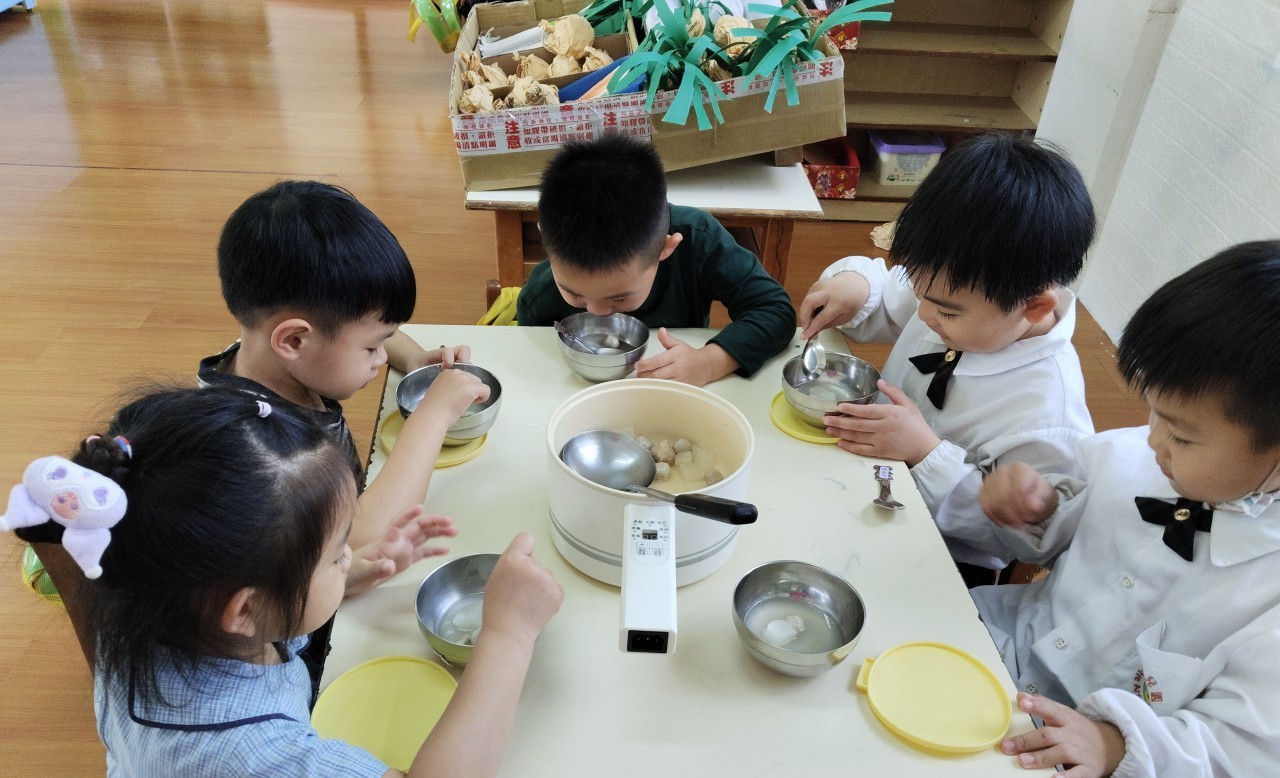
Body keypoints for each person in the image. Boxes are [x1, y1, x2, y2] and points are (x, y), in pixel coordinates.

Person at [3, 387, 565, 778]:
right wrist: (507, 635)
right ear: (245, 609)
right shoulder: (244, 755)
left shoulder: (145, 614)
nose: (348, 554)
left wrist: (346, 576)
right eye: (336, 552)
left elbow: (261, 622)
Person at [972, 240, 1280, 778]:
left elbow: (1242, 757)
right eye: (1154, 414)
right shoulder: (1133, 457)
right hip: (997, 651)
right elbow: (1057, 537)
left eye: (1182, 435)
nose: (1153, 441)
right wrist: (1038, 509)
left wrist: (1115, 746)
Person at [797, 133, 1097, 585]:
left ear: (1035, 307)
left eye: (946, 312)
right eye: (920, 294)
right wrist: (856, 286)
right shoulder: (954, 293)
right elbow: (889, 293)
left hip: (942, 558)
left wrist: (925, 454)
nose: (923, 315)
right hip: (867, 482)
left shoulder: (1048, 413)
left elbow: (1026, 541)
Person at [205, 179, 485, 556]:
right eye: (372, 348)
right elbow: (357, 538)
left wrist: (415, 360)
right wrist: (434, 415)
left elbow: (357, 327)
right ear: (293, 341)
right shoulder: (265, 451)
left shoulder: (265, 353)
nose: (381, 357)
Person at [516, 135, 796, 386]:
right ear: (546, 241)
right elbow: (528, 351)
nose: (598, 311)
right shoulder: (539, 295)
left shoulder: (698, 239)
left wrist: (709, 362)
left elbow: (775, 310)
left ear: (666, 248)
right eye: (575, 295)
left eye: (621, 298)